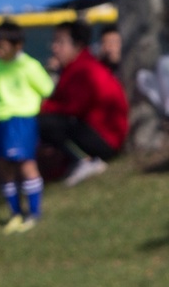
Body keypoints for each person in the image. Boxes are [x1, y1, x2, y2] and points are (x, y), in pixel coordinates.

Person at [41, 19, 128, 186]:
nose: (54, 47)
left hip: (105, 140)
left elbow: (73, 108)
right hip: (97, 135)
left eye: (60, 42)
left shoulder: (85, 69)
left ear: (78, 45)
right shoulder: (75, 67)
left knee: (46, 123)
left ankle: (84, 161)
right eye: (54, 41)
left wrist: (42, 107)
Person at [0, 20, 54, 234]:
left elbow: (47, 88)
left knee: (25, 164)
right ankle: (15, 213)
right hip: (1, 120)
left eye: (3, 44)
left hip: (22, 120)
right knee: (3, 167)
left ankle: (35, 213)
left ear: (17, 45)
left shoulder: (29, 65)